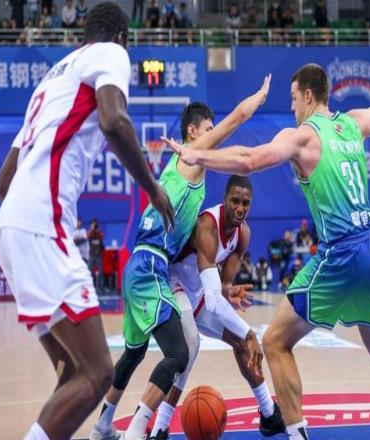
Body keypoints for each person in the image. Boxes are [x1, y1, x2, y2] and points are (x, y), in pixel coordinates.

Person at [164, 16, 370, 440]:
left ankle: (298, 435)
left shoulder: (305, 136)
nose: (291, 108)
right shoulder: (351, 123)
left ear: (307, 95)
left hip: (340, 253)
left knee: (274, 342)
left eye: (292, 99)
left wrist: (198, 155)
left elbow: (248, 160)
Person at [0, 3, 174, 440]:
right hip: (41, 221)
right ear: (122, 37)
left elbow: (2, 183)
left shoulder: (51, 81)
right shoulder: (111, 53)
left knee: (72, 372)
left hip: (9, 228)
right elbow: (113, 120)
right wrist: (152, 187)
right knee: (96, 373)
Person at [90, 79, 271, 440]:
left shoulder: (187, 166)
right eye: (207, 128)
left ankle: (102, 427)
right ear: (193, 132)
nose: (212, 134)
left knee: (133, 354)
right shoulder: (191, 157)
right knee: (180, 352)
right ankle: (138, 431)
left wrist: (225, 288)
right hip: (150, 265)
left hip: (142, 264)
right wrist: (259, 97)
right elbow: (235, 120)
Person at [148, 175, 284, 439]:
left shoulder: (243, 234)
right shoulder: (207, 226)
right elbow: (213, 300)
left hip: (198, 291)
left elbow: (220, 287)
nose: (240, 208)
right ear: (225, 199)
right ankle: (159, 429)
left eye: (246, 203)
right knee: (190, 346)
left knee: (242, 344)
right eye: (235, 201)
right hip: (173, 284)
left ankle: (269, 415)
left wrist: (228, 291)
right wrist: (249, 332)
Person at [88, 218, 105, 287]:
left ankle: (101, 287)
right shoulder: (90, 232)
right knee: (90, 272)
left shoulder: (99, 232)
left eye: (96, 224)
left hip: (98, 255)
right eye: (93, 224)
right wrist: (92, 229)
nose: (95, 226)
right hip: (91, 255)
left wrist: (97, 231)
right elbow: (88, 236)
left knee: (100, 272)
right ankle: (91, 286)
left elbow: (102, 237)